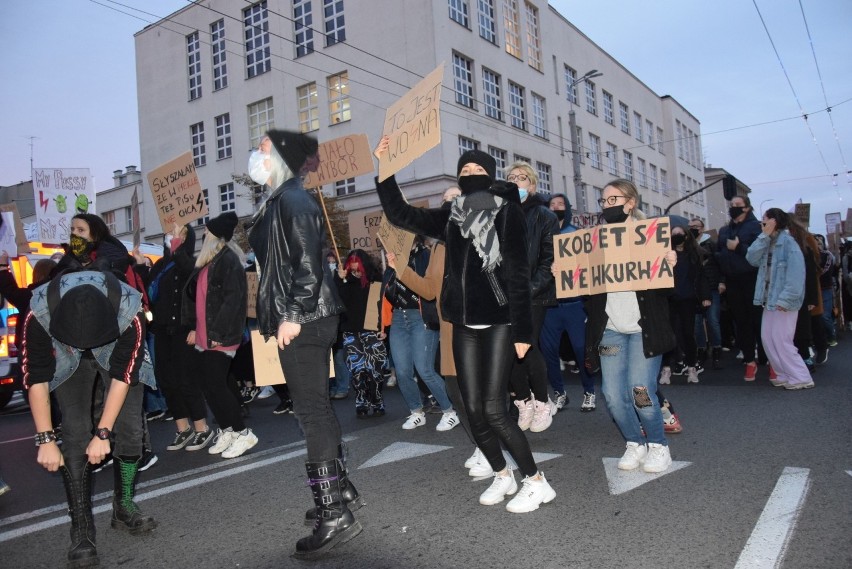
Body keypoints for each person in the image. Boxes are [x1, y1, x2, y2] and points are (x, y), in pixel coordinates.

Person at [375, 138, 556, 513]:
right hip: (462, 324)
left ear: (490, 176)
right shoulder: (451, 213)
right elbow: (400, 214)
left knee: (493, 409)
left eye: (478, 170)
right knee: (472, 409)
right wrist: (385, 169)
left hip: (500, 322)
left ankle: (537, 482)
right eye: (465, 170)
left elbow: (520, 273)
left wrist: (523, 332)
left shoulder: (507, 211)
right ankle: (502, 473)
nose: (470, 174)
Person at [247, 130, 363, 558]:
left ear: (279, 154)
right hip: (309, 316)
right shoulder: (282, 199)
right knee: (316, 407)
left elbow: (309, 263)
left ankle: (331, 512)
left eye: (261, 148)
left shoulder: (293, 199)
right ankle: (340, 491)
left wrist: (293, 314)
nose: (255, 154)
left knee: (310, 411)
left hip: (306, 317)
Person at [24, 269, 156, 568]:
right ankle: (81, 529)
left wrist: (104, 433)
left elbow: (123, 376)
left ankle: (123, 505)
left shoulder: (130, 313)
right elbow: (37, 377)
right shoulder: (38, 313)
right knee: (74, 431)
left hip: (114, 337)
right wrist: (45, 438)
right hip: (64, 345)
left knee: (131, 428)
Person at [584, 179, 677, 474]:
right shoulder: (595, 241)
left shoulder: (651, 237)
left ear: (631, 202)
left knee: (640, 390)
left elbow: (664, 291)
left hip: (642, 331)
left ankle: (659, 445)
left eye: (613, 200)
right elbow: (586, 285)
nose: (607, 205)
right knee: (612, 394)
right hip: (611, 329)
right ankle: (634, 442)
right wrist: (566, 272)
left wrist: (671, 264)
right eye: (603, 201)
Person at [182, 212, 257, 459]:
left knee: (216, 384)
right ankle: (228, 430)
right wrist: (195, 327)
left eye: (207, 232)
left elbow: (232, 301)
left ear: (216, 236)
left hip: (221, 335)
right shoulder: (210, 261)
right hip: (207, 335)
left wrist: (218, 333)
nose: (203, 235)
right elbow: (198, 298)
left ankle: (243, 433)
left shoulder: (228, 261)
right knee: (211, 385)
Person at [381, 237, 459, 431]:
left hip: (421, 317)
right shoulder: (393, 259)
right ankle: (416, 411)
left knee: (424, 369)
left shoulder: (425, 256)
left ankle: (450, 411)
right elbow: (383, 293)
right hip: (399, 317)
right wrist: (380, 325)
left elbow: (430, 287)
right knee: (402, 371)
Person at [148, 223, 213, 452]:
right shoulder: (160, 265)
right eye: (170, 232)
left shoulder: (194, 262)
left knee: (187, 380)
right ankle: (182, 428)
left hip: (186, 330)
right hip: (163, 330)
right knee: (167, 381)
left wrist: (197, 328)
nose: (173, 236)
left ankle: (201, 428)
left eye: (181, 233)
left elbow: (199, 291)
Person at [505, 162, 559, 432]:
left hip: (533, 295)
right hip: (504, 295)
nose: (516, 181)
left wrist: (527, 290)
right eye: (511, 178)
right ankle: (523, 400)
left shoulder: (544, 216)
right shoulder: (499, 214)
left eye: (521, 178)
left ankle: (541, 402)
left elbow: (550, 260)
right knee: (506, 349)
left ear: (533, 186)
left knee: (528, 346)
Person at [540, 194, 597, 412]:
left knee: (581, 350)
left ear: (568, 208)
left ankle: (589, 391)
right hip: (549, 306)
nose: (555, 208)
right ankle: (559, 392)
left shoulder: (576, 235)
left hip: (574, 304)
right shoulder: (541, 235)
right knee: (549, 351)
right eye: (552, 205)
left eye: (560, 204)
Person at [746, 208, 813, 389]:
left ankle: (801, 376)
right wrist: (763, 237)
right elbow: (751, 258)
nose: (762, 223)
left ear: (774, 221)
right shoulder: (767, 242)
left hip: (783, 301)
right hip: (769, 300)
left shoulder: (789, 243)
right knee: (768, 338)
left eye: (765, 220)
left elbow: (796, 275)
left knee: (781, 339)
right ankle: (784, 373)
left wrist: (786, 300)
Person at [335, 249, 389, 418]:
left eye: (358, 264)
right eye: (352, 264)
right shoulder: (343, 280)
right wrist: (340, 279)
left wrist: (384, 329)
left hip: (372, 331)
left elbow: (383, 307)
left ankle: (377, 401)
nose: (355, 268)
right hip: (351, 332)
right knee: (358, 371)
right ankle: (361, 403)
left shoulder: (375, 280)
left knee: (376, 371)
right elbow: (338, 304)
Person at [716, 196, 763, 381]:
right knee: (741, 322)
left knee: (758, 321)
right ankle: (750, 361)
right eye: (732, 205)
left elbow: (759, 252)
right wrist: (722, 278)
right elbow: (718, 254)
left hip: (752, 278)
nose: (733, 208)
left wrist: (739, 247)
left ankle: (770, 360)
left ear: (747, 208)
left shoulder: (755, 227)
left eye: (738, 205)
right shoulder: (724, 230)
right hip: (732, 280)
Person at [659, 220, 711, 385]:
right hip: (669, 300)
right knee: (669, 335)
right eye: (674, 234)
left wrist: (705, 296)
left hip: (688, 300)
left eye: (680, 234)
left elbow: (702, 277)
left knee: (688, 334)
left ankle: (691, 367)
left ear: (687, 236)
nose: (677, 236)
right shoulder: (664, 256)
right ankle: (666, 369)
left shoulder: (694, 255)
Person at [689, 218, 724, 368]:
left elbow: (721, 263)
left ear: (702, 228)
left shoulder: (711, 244)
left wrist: (722, 281)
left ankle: (716, 349)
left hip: (711, 286)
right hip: (693, 290)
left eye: (696, 226)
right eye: (690, 227)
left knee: (712, 321)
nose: (693, 229)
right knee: (696, 323)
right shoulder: (688, 245)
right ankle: (701, 350)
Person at [814, 234, 838, 347]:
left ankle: (831, 335)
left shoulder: (827, 255)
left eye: (819, 243)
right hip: (814, 289)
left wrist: (814, 275)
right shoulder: (810, 254)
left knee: (825, 315)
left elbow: (826, 269)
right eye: (816, 243)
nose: (817, 245)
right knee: (815, 316)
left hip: (825, 288)